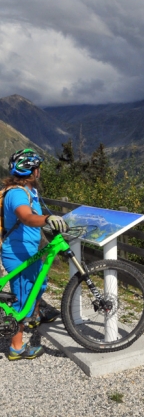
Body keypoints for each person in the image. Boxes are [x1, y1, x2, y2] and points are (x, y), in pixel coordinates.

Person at [1, 148, 68, 361]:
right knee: (22, 300)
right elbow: (27, 217)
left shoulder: (30, 190)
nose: (40, 172)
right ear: (33, 171)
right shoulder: (17, 193)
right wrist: (47, 219)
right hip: (18, 253)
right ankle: (16, 348)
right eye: (38, 168)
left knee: (41, 284)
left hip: (30, 251)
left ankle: (35, 314)